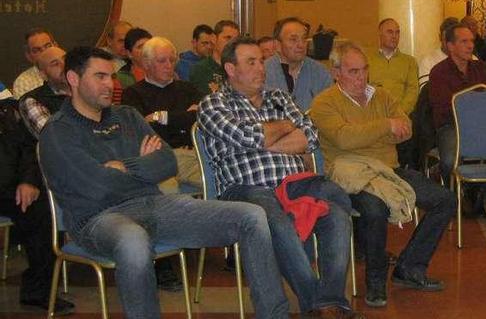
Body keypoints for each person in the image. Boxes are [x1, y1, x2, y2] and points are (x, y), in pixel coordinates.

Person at [40, 47, 292, 319]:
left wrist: (125, 166)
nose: (110, 85)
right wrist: (141, 166)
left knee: (252, 215)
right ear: (73, 79)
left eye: (111, 77)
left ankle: (274, 315)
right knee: (133, 240)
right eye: (100, 76)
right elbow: (98, 187)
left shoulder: (127, 116)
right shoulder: (58, 131)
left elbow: (167, 164)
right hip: (98, 219)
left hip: (156, 206)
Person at [198, 37, 362, 318]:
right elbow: (245, 136)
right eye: (251, 62)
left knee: (337, 212)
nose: (261, 68)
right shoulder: (213, 104)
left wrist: (266, 137)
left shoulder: (279, 97)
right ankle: (317, 304)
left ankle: (331, 299)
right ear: (230, 68)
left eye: (261, 60)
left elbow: (310, 136)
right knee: (275, 218)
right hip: (245, 189)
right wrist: (285, 127)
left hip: (293, 184)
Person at [311, 42, 455, 308]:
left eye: (364, 70)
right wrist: (386, 125)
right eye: (353, 72)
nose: (361, 77)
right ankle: (375, 282)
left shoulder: (382, 96)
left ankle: (409, 267)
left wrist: (369, 130)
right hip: (352, 176)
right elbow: (344, 139)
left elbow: (407, 129)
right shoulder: (324, 103)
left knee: (444, 199)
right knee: (375, 210)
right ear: (336, 72)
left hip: (389, 169)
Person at [1, 95, 74, 315]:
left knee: (42, 211)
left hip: (10, 187)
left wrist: (28, 181)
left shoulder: (7, 111)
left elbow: (28, 147)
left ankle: (39, 290)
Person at [122, 37, 202, 191]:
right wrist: (184, 117)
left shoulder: (187, 88)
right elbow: (143, 132)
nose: (169, 66)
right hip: (158, 157)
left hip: (192, 155)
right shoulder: (133, 94)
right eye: (162, 61)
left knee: (221, 182)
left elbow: (200, 119)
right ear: (146, 64)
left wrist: (161, 117)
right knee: (169, 192)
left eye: (172, 60)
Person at [429, 23, 486, 181]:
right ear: (450, 46)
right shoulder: (439, 73)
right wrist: (479, 98)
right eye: (464, 41)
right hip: (451, 127)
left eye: (472, 41)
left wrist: (474, 100)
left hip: (482, 126)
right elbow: (444, 111)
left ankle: (478, 194)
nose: (470, 46)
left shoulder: (482, 68)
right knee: (449, 161)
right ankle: (455, 196)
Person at [264, 17, 333, 112]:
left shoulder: (321, 72)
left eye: (304, 39)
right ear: (277, 45)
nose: (301, 45)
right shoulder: (262, 72)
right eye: (293, 40)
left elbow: (329, 110)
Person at [367, 18, 419, 116]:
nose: (394, 36)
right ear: (380, 34)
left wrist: (400, 112)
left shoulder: (409, 61)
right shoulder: (367, 60)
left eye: (397, 32)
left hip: (401, 115)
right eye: (390, 32)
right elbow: (362, 88)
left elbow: (412, 91)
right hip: (373, 115)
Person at [19, 47, 68, 138]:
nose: (64, 65)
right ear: (44, 75)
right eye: (55, 64)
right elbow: (56, 139)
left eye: (66, 59)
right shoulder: (32, 100)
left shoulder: (87, 88)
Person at [190, 20, 240, 96]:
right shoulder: (201, 69)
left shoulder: (240, 69)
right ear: (214, 39)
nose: (232, 43)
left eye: (235, 40)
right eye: (227, 38)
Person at [13, 28, 57, 99]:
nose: (45, 52)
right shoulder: (23, 82)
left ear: (56, 46)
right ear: (29, 56)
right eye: (37, 50)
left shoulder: (71, 70)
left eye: (48, 46)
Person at [418, 17, 460, 85]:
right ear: (440, 37)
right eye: (446, 39)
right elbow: (425, 91)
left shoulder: (472, 60)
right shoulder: (428, 62)